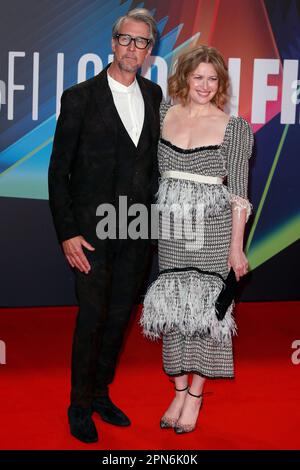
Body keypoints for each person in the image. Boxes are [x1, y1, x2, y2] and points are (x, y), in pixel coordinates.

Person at [48, 8, 162, 443]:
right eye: (127, 40)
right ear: (113, 43)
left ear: (151, 50)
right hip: (91, 234)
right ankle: (79, 405)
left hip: (137, 229)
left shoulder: (154, 97)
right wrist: (67, 232)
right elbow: (59, 172)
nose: (134, 48)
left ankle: (99, 394)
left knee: (118, 319)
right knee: (92, 318)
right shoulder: (79, 98)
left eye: (143, 42)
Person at [141, 45, 254, 434]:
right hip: (173, 231)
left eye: (213, 78)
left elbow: (239, 193)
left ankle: (195, 395)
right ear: (184, 78)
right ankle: (177, 388)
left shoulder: (234, 127)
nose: (205, 85)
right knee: (173, 309)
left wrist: (236, 247)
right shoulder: (163, 114)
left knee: (208, 314)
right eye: (198, 77)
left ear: (220, 84)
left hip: (214, 230)